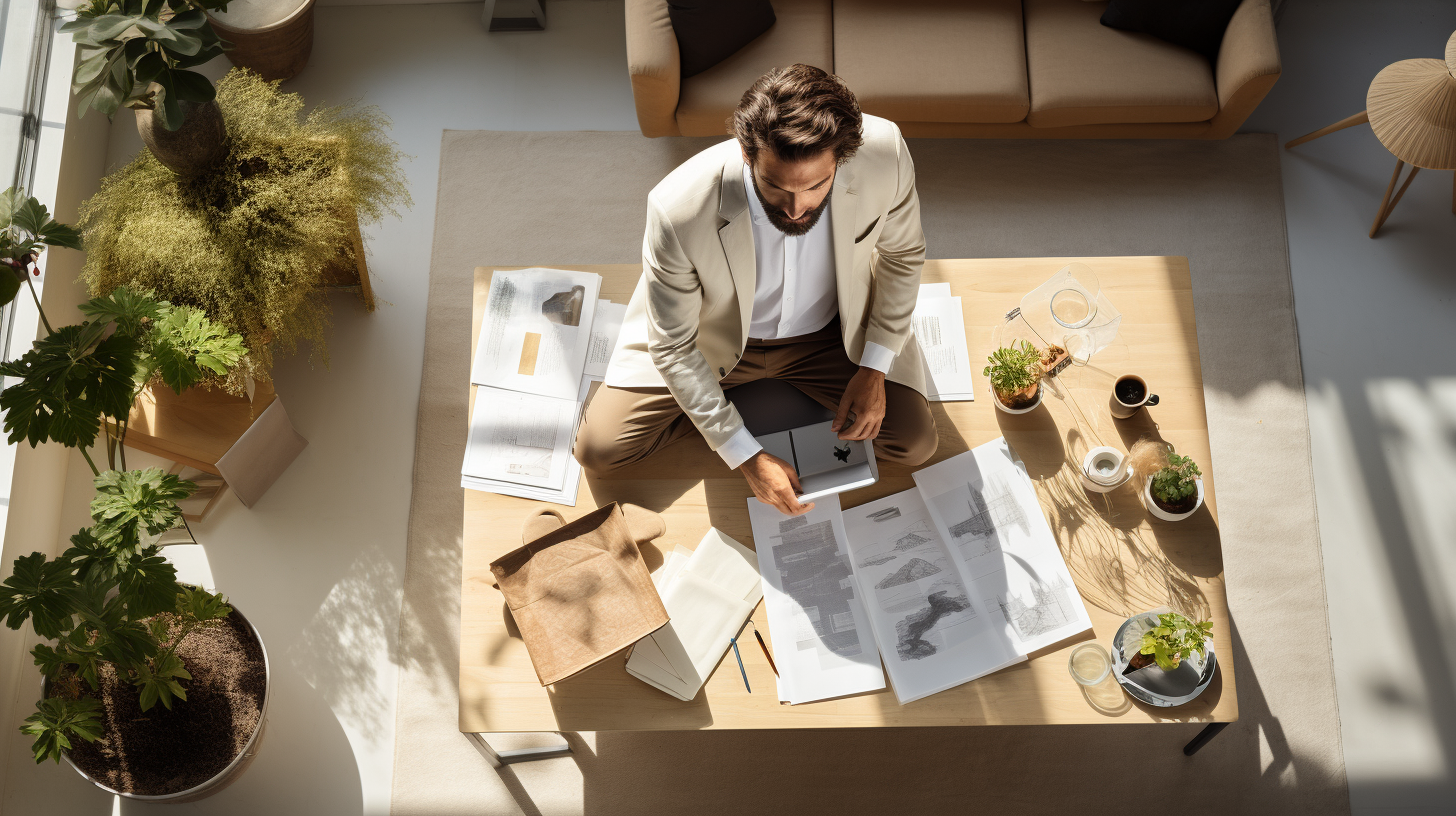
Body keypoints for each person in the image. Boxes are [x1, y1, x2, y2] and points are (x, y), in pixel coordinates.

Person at [575, 64, 937, 516]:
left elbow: (902, 257)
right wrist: (743, 452)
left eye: (816, 186)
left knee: (915, 444)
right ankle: (715, 408)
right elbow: (673, 346)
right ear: (747, 154)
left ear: (841, 159)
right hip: (712, 339)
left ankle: (714, 408)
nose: (796, 207)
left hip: (828, 336)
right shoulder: (677, 207)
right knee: (598, 451)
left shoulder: (885, 154)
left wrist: (874, 370)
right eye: (774, 185)